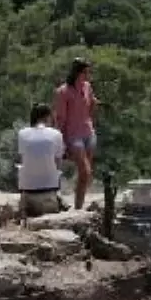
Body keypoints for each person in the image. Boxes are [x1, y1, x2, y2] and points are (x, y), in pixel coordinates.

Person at [53, 57, 97, 210]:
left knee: (86, 174)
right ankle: (77, 207)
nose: (88, 75)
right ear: (78, 73)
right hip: (73, 135)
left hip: (88, 132)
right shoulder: (63, 92)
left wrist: (91, 116)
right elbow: (60, 118)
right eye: (86, 72)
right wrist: (60, 141)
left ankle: (79, 204)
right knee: (85, 171)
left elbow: (92, 103)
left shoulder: (87, 87)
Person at [16, 103, 65, 217]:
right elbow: (58, 163)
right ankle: (59, 199)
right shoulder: (56, 134)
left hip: (27, 187)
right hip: (50, 187)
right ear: (47, 116)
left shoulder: (22, 133)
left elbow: (23, 159)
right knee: (57, 169)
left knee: (21, 166)